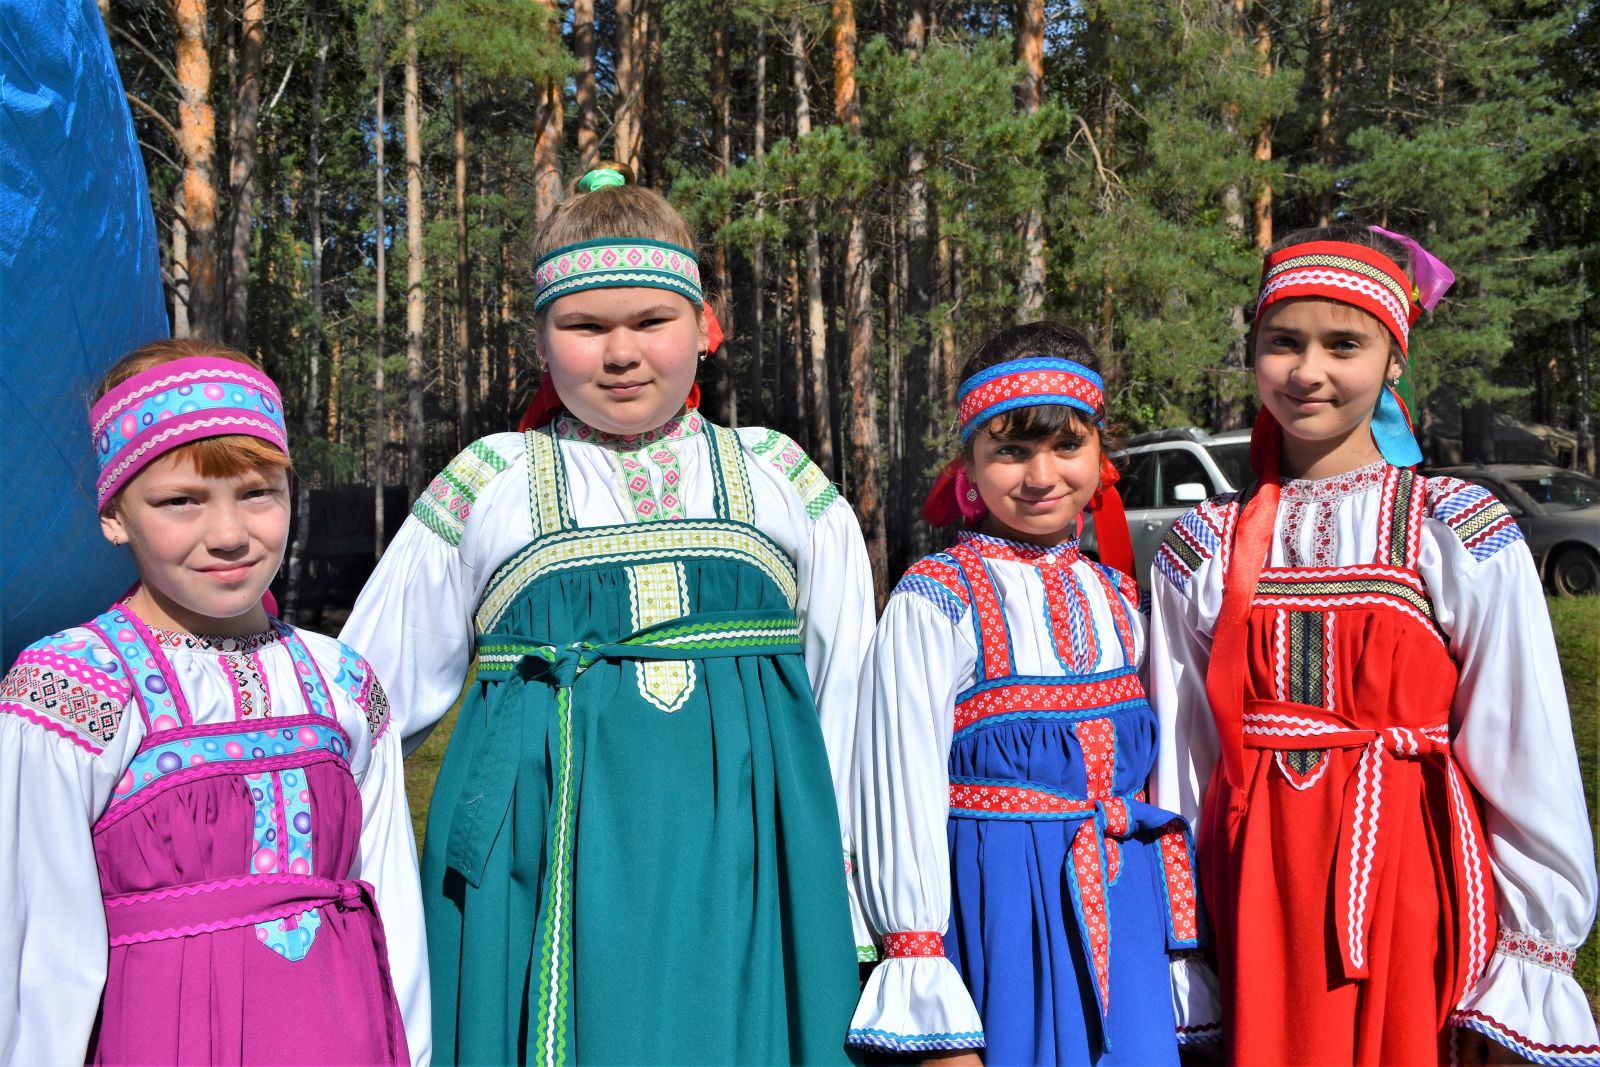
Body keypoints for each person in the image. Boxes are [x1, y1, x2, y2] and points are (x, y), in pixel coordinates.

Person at [340, 163, 873, 1066]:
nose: (620, 352)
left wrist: (853, 886)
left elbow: (852, 695)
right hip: (538, 858)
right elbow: (363, 697)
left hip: (749, 859)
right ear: (541, 339)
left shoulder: (783, 479)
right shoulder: (489, 481)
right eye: (585, 326)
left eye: (650, 321)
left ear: (705, 327)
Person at [1148, 224, 1600, 1064]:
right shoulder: (1201, 547)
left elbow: (1522, 743)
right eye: (1283, 342)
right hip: (1255, 886)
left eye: (1342, 344)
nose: (1308, 370)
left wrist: (1530, 954)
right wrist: (1186, 936)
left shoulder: (1452, 528)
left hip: (1405, 872)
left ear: (1394, 359)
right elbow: (1184, 757)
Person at [0, 339, 429, 1065]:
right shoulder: (75, 686)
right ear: (114, 513)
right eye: (180, 501)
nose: (229, 534)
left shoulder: (343, 682)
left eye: (258, 491)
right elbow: (40, 951)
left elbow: (392, 913)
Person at [847, 321, 1203, 1066]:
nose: (1041, 475)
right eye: (1010, 450)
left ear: (1101, 457)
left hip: (1124, 901)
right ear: (969, 469)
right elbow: (897, 783)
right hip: (1001, 912)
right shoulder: (936, 599)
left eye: (1066, 445)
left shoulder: (1117, 596)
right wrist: (918, 967)